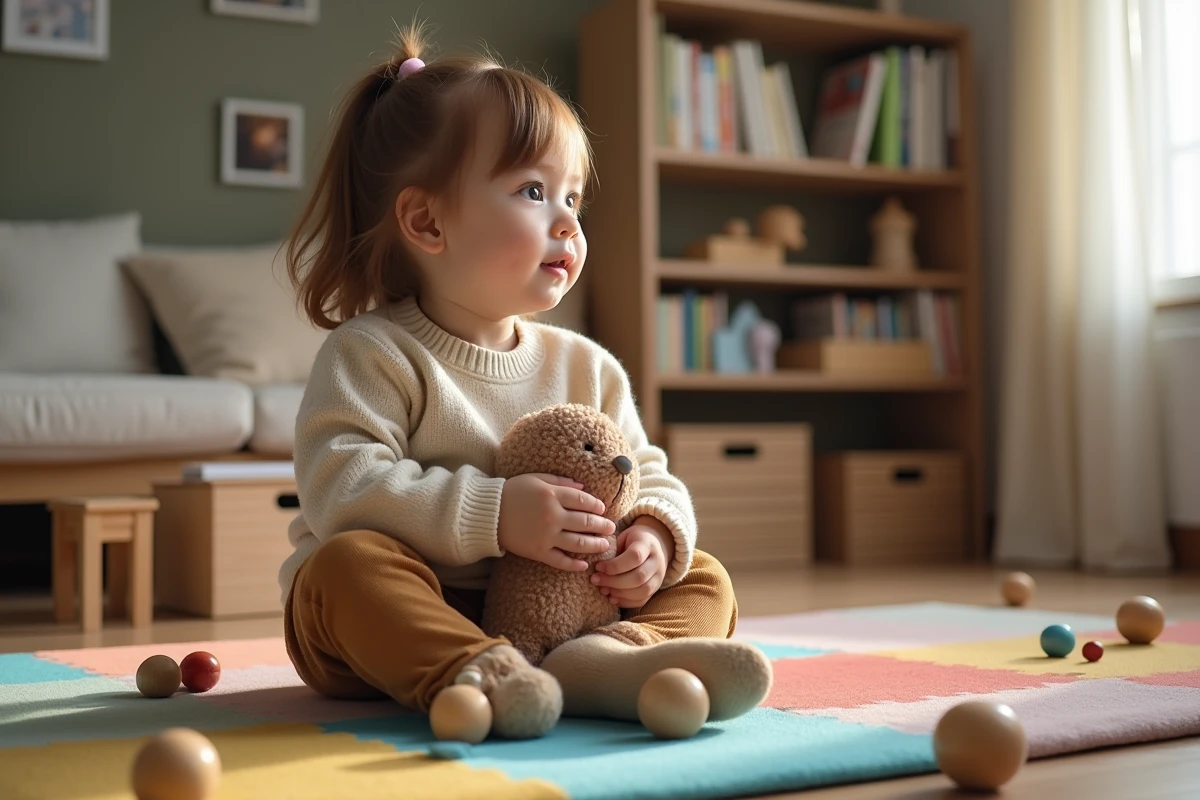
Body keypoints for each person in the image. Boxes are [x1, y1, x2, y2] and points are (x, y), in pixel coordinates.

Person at [278, 21, 772, 740]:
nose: (567, 223)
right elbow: (342, 490)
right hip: (416, 613)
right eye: (534, 191)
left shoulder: (587, 365)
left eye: (573, 198)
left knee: (704, 576)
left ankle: (606, 660)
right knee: (343, 567)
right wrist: (495, 514)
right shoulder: (372, 352)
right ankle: (483, 670)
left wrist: (651, 537)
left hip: (565, 613)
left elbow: (649, 473)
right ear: (427, 221)